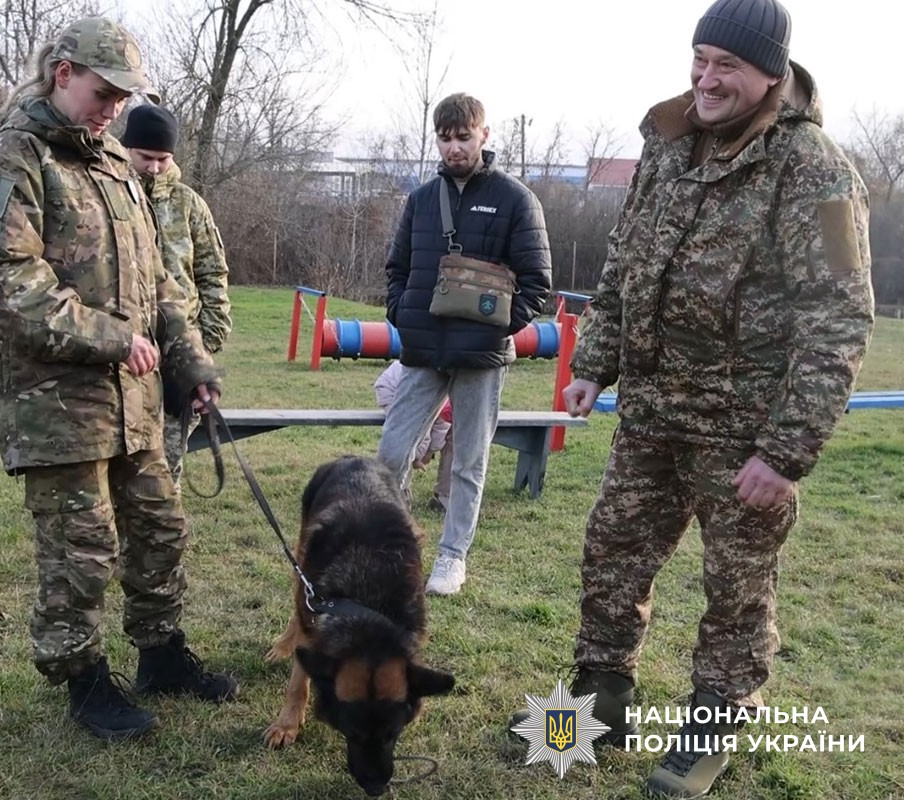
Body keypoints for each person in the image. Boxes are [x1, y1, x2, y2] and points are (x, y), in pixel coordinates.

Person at [509, 2, 874, 797]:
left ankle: (713, 723)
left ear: (771, 75)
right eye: (700, 59)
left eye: (727, 67)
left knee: (735, 591)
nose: (707, 79)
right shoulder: (667, 143)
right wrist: (593, 364)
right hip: (652, 416)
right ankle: (594, 706)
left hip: (745, 435)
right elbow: (623, 266)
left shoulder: (817, 170)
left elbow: (841, 313)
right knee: (611, 558)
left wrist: (785, 452)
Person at [0, 16, 238, 743]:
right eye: (103, 92)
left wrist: (192, 365)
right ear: (62, 73)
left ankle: (162, 655)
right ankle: (81, 679)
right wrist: (112, 338)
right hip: (59, 404)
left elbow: (161, 287)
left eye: (122, 97)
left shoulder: (116, 166)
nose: (112, 108)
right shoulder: (15, 159)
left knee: (159, 532)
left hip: (137, 402)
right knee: (80, 550)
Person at [380, 92, 552, 596]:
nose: (454, 147)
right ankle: (396, 545)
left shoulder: (515, 199)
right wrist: (402, 316)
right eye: (445, 137)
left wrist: (497, 328)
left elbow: (537, 282)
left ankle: (452, 557)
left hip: (480, 358)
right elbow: (396, 270)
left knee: (468, 462)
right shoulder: (419, 200)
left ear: (484, 135)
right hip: (423, 352)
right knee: (391, 453)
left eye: (463, 136)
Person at [121, 103, 232, 485]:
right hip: (123, 349)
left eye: (162, 159)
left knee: (167, 468)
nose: (153, 167)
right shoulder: (111, 195)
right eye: (145, 157)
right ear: (127, 149)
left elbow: (212, 272)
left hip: (180, 354)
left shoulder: (189, 204)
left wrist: (206, 342)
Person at [373, 360, 452, 511]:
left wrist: (430, 451)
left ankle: (443, 497)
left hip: (417, 384)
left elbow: (441, 428)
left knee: (424, 434)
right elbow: (422, 434)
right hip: (391, 390)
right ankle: (399, 493)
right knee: (408, 437)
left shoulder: (447, 403)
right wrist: (421, 456)